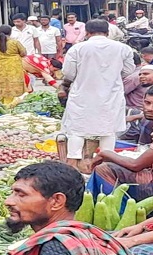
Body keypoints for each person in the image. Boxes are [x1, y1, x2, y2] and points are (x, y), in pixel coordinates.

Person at [5, 161, 145, 255]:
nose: (8, 201)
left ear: (56, 201)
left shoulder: (57, 248)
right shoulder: (80, 235)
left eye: (21, 194)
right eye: (12, 193)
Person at [61, 19, 135, 172]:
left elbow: (68, 73)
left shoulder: (77, 49)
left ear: (87, 33)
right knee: (108, 129)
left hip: (82, 94)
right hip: (111, 95)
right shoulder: (123, 48)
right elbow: (128, 71)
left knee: (77, 129)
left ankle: (72, 164)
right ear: (107, 32)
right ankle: (106, 163)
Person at [88, 86, 153, 203]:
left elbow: (135, 165)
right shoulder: (147, 121)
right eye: (147, 103)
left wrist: (105, 153)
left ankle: (117, 212)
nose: (150, 108)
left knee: (103, 170)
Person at [0, 24, 27, 105]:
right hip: (14, 67)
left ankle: (3, 103)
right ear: (10, 32)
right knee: (14, 84)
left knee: (1, 84)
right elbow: (23, 53)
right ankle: (13, 103)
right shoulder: (14, 42)